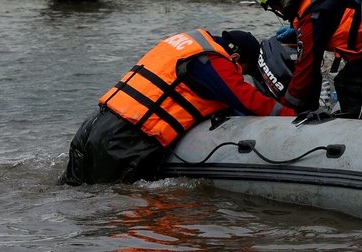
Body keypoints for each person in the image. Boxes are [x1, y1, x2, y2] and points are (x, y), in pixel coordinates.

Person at [59, 29, 294, 186]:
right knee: (109, 213)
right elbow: (248, 101)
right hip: (123, 140)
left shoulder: (190, 44)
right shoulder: (213, 62)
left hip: (97, 124)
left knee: (76, 198)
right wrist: (294, 116)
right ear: (235, 57)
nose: (240, 76)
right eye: (242, 71)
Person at [251, 0, 362, 115]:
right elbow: (329, 5)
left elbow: (304, 76)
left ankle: (360, 129)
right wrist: (297, 27)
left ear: (277, 1)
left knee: (347, 85)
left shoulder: (314, 19)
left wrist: (286, 110)